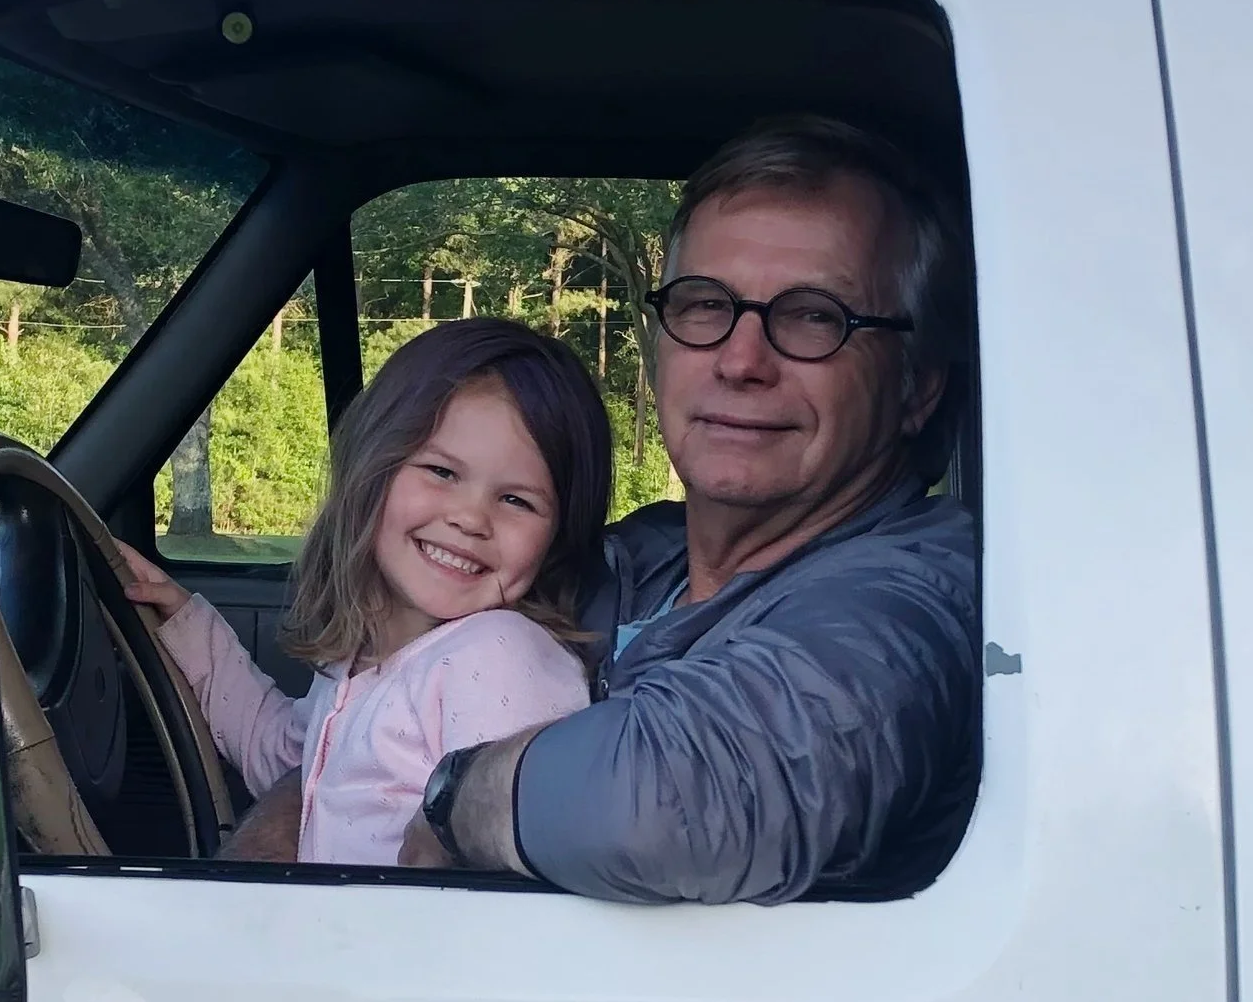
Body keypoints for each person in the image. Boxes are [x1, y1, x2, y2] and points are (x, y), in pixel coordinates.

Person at [406, 118, 981, 901]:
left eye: (815, 316)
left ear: (917, 387)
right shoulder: (632, 555)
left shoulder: (914, 604)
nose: (742, 360)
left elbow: (666, 808)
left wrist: (446, 798)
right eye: (707, 303)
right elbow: (385, 695)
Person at [115, 319, 608, 868]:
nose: (470, 518)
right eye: (441, 471)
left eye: (517, 500)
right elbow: (288, 760)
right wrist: (184, 620)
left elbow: (515, 866)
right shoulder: (361, 663)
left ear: (556, 540)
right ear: (373, 470)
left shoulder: (498, 655)